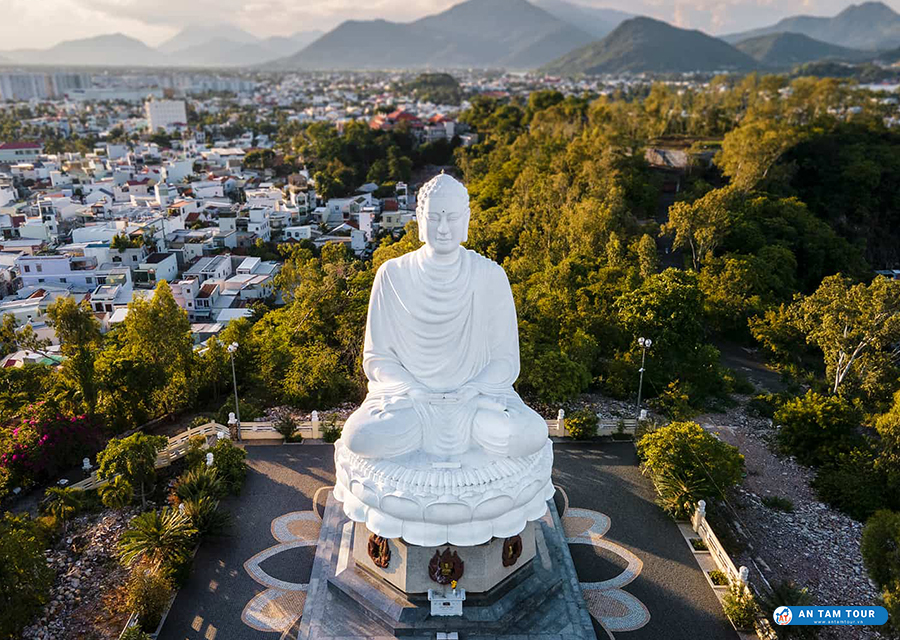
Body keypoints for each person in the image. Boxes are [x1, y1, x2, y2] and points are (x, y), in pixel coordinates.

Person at [342, 172, 548, 459]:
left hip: (475, 402)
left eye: (451, 218)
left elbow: (505, 361)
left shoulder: (490, 276)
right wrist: (414, 391)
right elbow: (378, 359)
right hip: (409, 403)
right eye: (434, 217)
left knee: (527, 433)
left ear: (466, 220)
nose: (443, 228)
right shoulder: (392, 275)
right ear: (419, 218)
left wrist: (472, 391)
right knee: (361, 436)